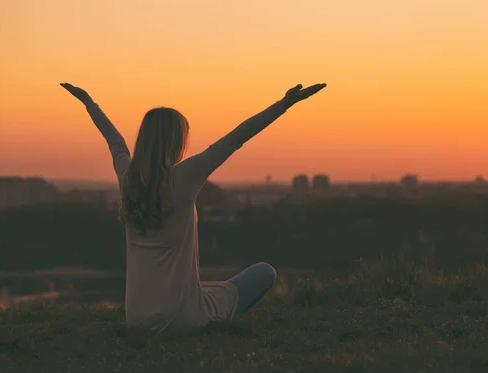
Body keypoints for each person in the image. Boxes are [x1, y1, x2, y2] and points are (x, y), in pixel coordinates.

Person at [60, 81, 327, 332]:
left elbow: (114, 141)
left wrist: (89, 102)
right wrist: (284, 103)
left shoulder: (128, 178)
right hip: (182, 318)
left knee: (206, 287)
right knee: (264, 272)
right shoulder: (188, 174)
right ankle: (223, 316)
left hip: (137, 318)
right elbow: (237, 137)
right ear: (176, 142)